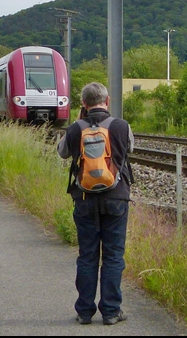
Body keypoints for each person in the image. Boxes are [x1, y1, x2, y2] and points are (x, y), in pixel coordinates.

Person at [58, 82, 134, 326]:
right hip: (116, 198)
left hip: (84, 199)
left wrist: (78, 126)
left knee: (88, 255)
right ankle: (111, 311)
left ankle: (84, 311)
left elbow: (62, 152)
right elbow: (130, 148)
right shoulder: (122, 126)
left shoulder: (75, 128)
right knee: (113, 256)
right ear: (107, 101)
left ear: (84, 104)